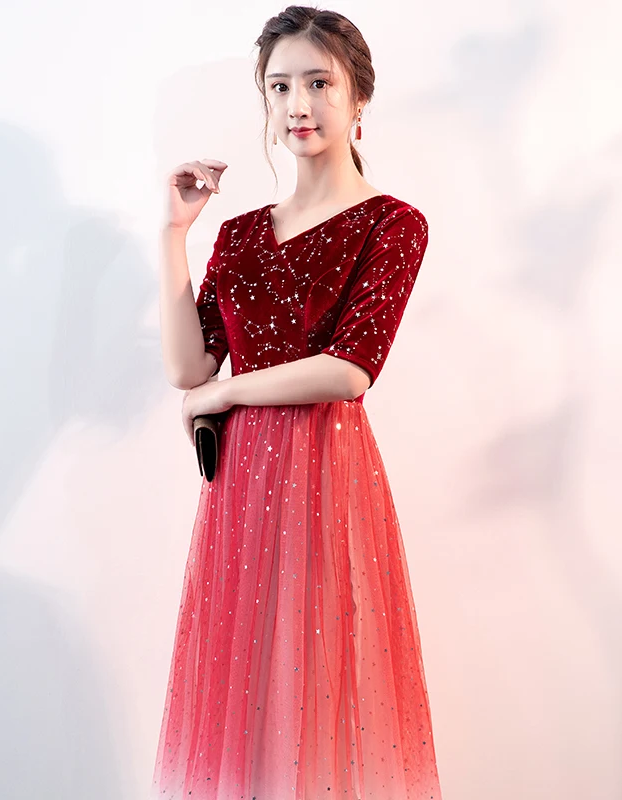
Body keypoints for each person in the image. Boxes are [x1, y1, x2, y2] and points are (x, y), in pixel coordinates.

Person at [152, 6, 442, 798]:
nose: (298, 105)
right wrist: (175, 235)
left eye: (319, 83)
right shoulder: (240, 234)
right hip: (242, 487)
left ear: (358, 98)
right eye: (280, 87)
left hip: (327, 472)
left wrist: (226, 392)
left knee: (317, 685)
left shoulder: (392, 224)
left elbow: (350, 370)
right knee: (244, 692)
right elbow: (188, 366)